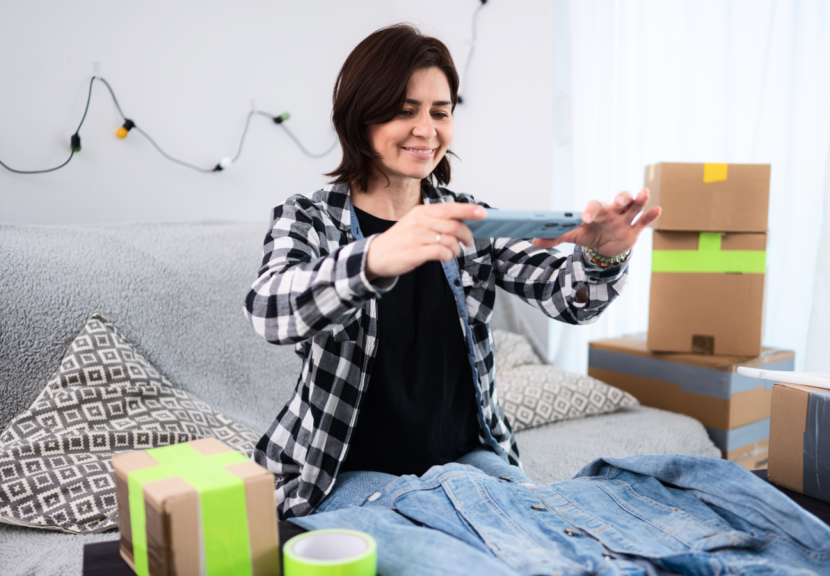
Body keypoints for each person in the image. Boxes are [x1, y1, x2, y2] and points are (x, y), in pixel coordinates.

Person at [243, 23, 660, 520]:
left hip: (467, 457)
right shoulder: (309, 218)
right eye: (405, 111)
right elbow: (269, 310)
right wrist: (374, 258)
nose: (427, 130)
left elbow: (568, 299)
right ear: (360, 116)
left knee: (552, 528)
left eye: (440, 112)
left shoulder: (468, 219)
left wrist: (605, 257)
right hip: (345, 472)